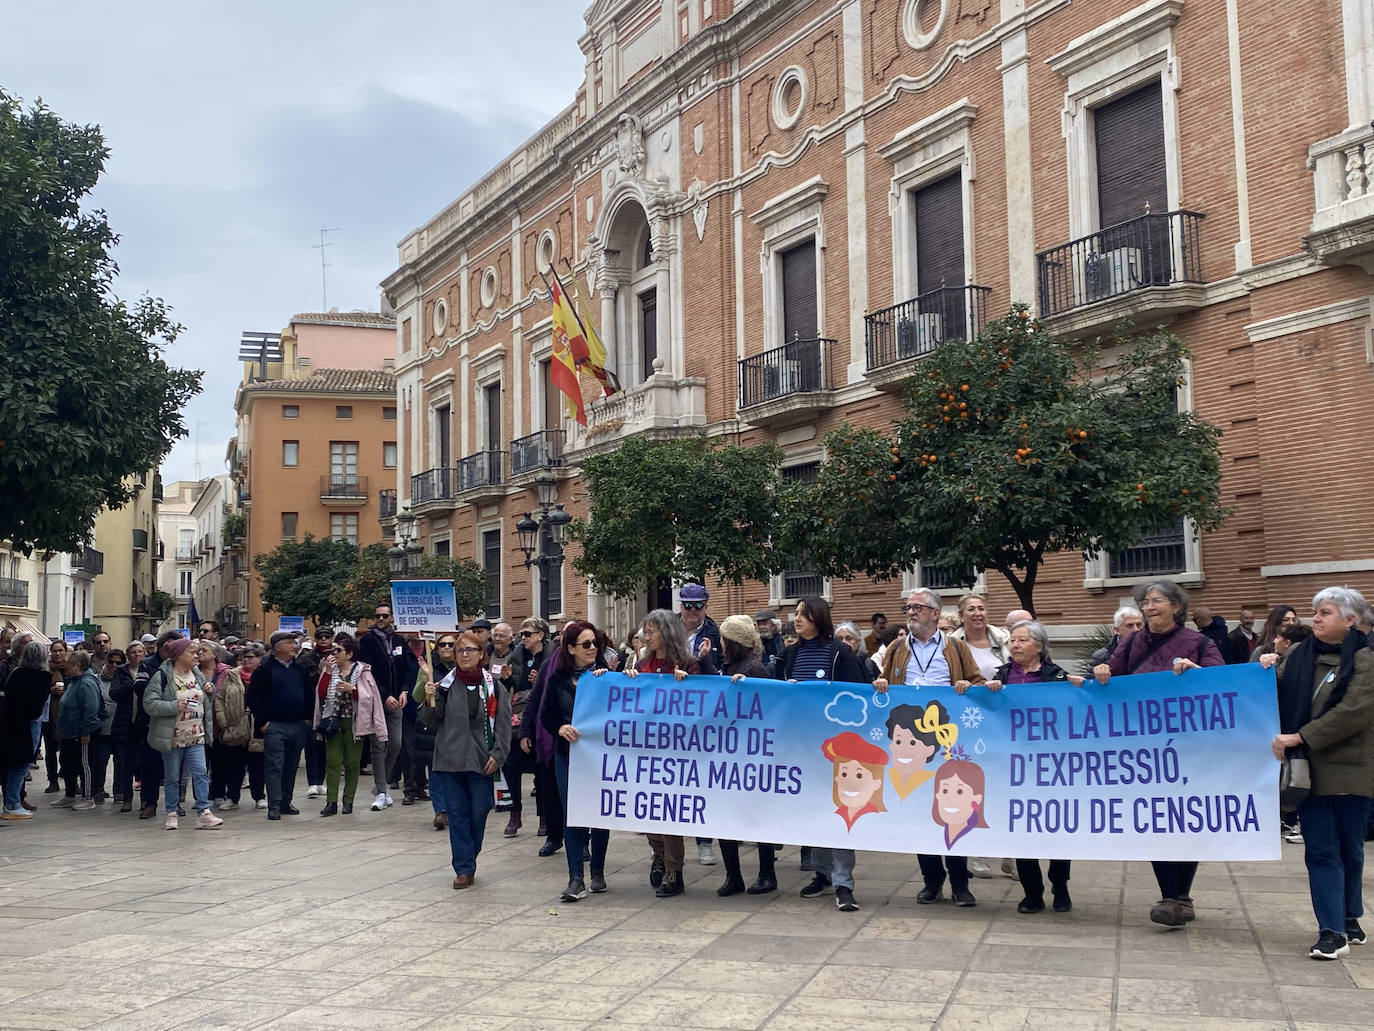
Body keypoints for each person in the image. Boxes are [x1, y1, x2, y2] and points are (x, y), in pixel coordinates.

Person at [1092, 580, 1224, 927]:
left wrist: (1197, 674)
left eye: (1158, 601)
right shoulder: (1133, 642)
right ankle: (1170, 895)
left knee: (1186, 820)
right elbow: (1112, 679)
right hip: (1145, 751)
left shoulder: (1199, 643)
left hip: (1189, 747)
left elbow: (1222, 682)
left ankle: (1181, 895)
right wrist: (1102, 671)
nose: (1150, 607)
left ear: (1176, 607)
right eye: (1146, 602)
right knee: (1157, 819)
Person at [1268, 587, 1374, 960]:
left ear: (1349, 620)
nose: (1315, 618)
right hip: (1307, 772)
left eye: (1325, 612)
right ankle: (1332, 931)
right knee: (1322, 850)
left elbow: (1353, 712)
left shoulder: (1365, 659)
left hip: (1350, 771)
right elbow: (1267, 689)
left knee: (1350, 848)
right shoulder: (1298, 653)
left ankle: (1349, 916)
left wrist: (1301, 736)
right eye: (1314, 612)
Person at [875, 587, 987, 905]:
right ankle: (932, 881)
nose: (910, 612)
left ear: (935, 613)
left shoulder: (956, 646)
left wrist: (967, 685)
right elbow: (885, 683)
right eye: (907, 607)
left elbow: (977, 682)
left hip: (948, 742)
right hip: (911, 746)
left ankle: (961, 884)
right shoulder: (897, 647)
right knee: (919, 812)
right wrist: (881, 684)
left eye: (917, 607)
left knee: (955, 810)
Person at [778, 596, 871, 911]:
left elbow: (858, 695)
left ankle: (844, 883)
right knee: (812, 813)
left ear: (819, 617)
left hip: (837, 750)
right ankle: (821, 873)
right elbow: (773, 690)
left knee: (839, 814)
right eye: (796, 613)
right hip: (803, 747)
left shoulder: (839, 654)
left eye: (804, 614)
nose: (798, 618)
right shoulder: (789, 654)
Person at [985, 620, 1080, 913]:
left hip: (1052, 766)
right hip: (1014, 767)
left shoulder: (1057, 676)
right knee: (1021, 829)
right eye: (1012, 640)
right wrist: (984, 692)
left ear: (1039, 646)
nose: (1015, 645)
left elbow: (1076, 710)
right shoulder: (1000, 677)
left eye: (1022, 640)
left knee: (1056, 829)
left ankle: (1060, 884)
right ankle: (1032, 892)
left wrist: (1082, 687)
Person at [421, 630, 511, 889]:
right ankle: (463, 868)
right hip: (450, 761)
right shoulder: (445, 686)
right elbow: (430, 722)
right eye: (461, 651)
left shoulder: (493, 686)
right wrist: (428, 700)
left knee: (479, 811)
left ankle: (469, 853)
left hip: (482, 761)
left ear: (482, 654)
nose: (465, 655)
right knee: (457, 814)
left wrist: (498, 754)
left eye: (471, 650)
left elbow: (503, 724)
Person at [625, 608, 703, 897]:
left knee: (670, 813)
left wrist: (689, 686)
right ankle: (657, 853)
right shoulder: (643, 662)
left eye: (651, 631)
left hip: (676, 752)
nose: (646, 637)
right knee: (648, 809)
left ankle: (674, 870)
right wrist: (626, 679)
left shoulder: (688, 664)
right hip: (646, 749)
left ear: (666, 632)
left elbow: (704, 703)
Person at [539, 620, 612, 901]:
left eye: (595, 643)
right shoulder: (556, 679)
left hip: (600, 757)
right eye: (586, 644)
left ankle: (597, 871)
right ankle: (575, 879)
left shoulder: (607, 677)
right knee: (574, 814)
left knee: (599, 814)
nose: (592, 648)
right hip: (567, 755)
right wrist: (560, 727)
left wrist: (627, 678)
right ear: (570, 648)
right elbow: (546, 714)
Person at [712, 614, 778, 896]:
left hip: (750, 755)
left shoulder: (755, 670)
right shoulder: (726, 667)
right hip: (727, 753)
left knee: (756, 816)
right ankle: (733, 875)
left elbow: (767, 709)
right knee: (725, 816)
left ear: (733, 641)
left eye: (724, 639)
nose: (720, 644)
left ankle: (767, 873)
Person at [143, 637, 223, 830]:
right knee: (172, 777)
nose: (197, 656)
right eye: (192, 652)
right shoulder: (162, 676)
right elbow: (149, 703)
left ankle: (204, 812)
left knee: (200, 773)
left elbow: (205, 698)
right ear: (179, 656)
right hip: (173, 737)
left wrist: (209, 691)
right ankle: (171, 812)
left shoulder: (197, 674)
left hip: (196, 734)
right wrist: (172, 706)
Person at [314, 632, 387, 817]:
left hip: (355, 722)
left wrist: (352, 689)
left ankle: (348, 801)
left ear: (349, 654)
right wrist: (328, 673)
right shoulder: (329, 670)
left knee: (352, 763)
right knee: (332, 762)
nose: (334, 653)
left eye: (338, 650)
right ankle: (331, 802)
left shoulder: (363, 671)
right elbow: (321, 694)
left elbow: (370, 697)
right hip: (333, 721)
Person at [246, 631, 313, 820]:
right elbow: (253, 697)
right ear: (277, 647)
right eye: (289, 642)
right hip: (275, 726)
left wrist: (307, 719)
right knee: (274, 766)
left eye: (295, 642)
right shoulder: (265, 670)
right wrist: (264, 722)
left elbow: (309, 695)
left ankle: (285, 802)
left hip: (298, 725)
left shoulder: (299, 669)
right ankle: (274, 804)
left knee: (291, 766)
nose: (294, 646)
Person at [514, 618, 561, 855]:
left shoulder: (595, 667)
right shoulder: (548, 666)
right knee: (548, 787)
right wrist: (525, 732)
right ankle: (554, 835)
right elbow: (534, 701)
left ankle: (581, 839)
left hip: (579, 740)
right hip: (548, 737)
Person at [357, 604, 407, 811]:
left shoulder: (399, 640)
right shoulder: (367, 641)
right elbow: (368, 672)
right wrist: (384, 695)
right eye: (377, 615)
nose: (380, 618)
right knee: (378, 747)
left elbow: (405, 668)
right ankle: (381, 790)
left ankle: (382, 782)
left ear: (391, 617)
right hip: (376, 701)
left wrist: (404, 690)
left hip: (397, 700)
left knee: (396, 742)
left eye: (384, 616)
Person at [3, 640, 51, 820]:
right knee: (22, 764)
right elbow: (36, 706)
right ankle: (12, 803)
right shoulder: (42, 676)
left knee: (13, 763)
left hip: (11, 722)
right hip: (30, 722)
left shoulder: (16, 673)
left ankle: (11, 801)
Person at [53, 649, 102, 811]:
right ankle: (70, 795)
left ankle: (88, 798)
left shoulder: (86, 683)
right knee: (67, 763)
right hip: (69, 732)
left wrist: (85, 732)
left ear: (78, 665)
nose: (66, 666)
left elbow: (90, 709)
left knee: (84, 765)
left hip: (81, 733)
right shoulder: (74, 681)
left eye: (69, 664)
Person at [211, 644, 254, 811]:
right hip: (233, 726)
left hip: (256, 727)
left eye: (251, 657)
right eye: (244, 657)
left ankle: (259, 796)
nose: (246, 660)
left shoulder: (262, 675)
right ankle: (232, 797)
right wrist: (222, 721)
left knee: (257, 764)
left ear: (259, 659)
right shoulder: (231, 675)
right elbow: (219, 699)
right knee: (234, 764)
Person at [108, 643, 142, 812]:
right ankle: (125, 797)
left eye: (140, 652)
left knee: (144, 763)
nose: (137, 655)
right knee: (125, 762)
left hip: (143, 723)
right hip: (125, 723)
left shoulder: (148, 669)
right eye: (133, 652)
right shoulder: (121, 671)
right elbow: (113, 693)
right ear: (128, 655)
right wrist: (129, 686)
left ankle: (146, 800)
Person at [89, 648, 123, 804]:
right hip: (102, 728)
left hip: (120, 727)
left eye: (118, 662)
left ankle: (119, 791)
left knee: (120, 762)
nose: (114, 665)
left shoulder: (125, 678)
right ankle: (98, 790)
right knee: (100, 761)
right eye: (111, 661)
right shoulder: (96, 679)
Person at [951, 594, 1010, 681]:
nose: (978, 613)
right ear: (961, 616)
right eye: (971, 609)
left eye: (981, 609)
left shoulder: (1005, 638)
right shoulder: (950, 643)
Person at [41, 638, 69, 794]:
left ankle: (70, 780)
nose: (57, 653)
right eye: (55, 651)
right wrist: (49, 691)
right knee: (51, 751)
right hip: (50, 716)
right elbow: (38, 690)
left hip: (67, 715)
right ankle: (52, 781)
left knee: (67, 751)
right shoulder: (45, 670)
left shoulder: (71, 669)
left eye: (60, 650)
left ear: (65, 652)